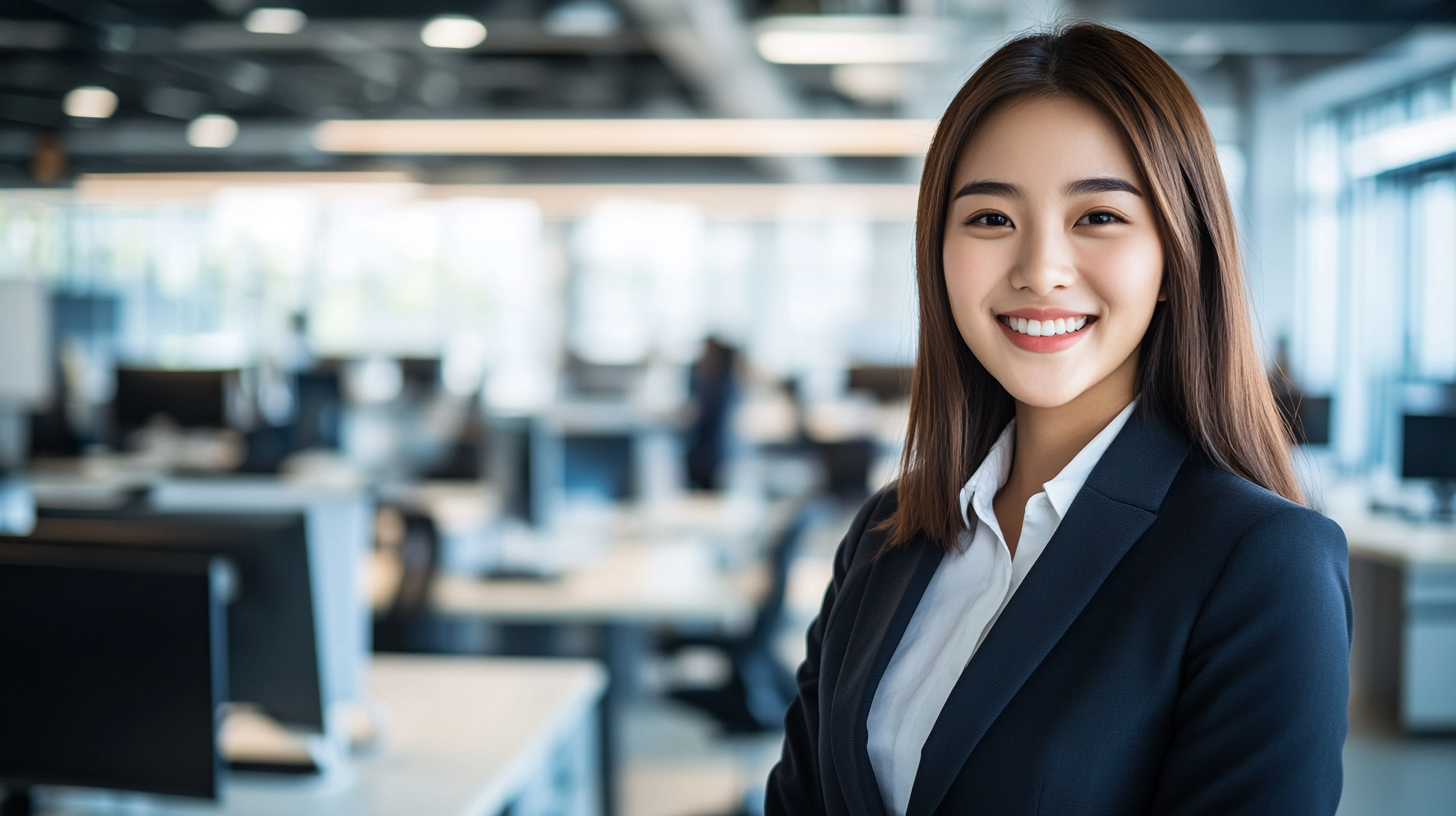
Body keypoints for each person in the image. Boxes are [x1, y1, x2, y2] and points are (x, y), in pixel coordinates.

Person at [765, 22, 1350, 816]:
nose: (1040, 269)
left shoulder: (1261, 565)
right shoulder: (884, 534)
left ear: (1178, 256)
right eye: (990, 219)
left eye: (1099, 217)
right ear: (938, 255)